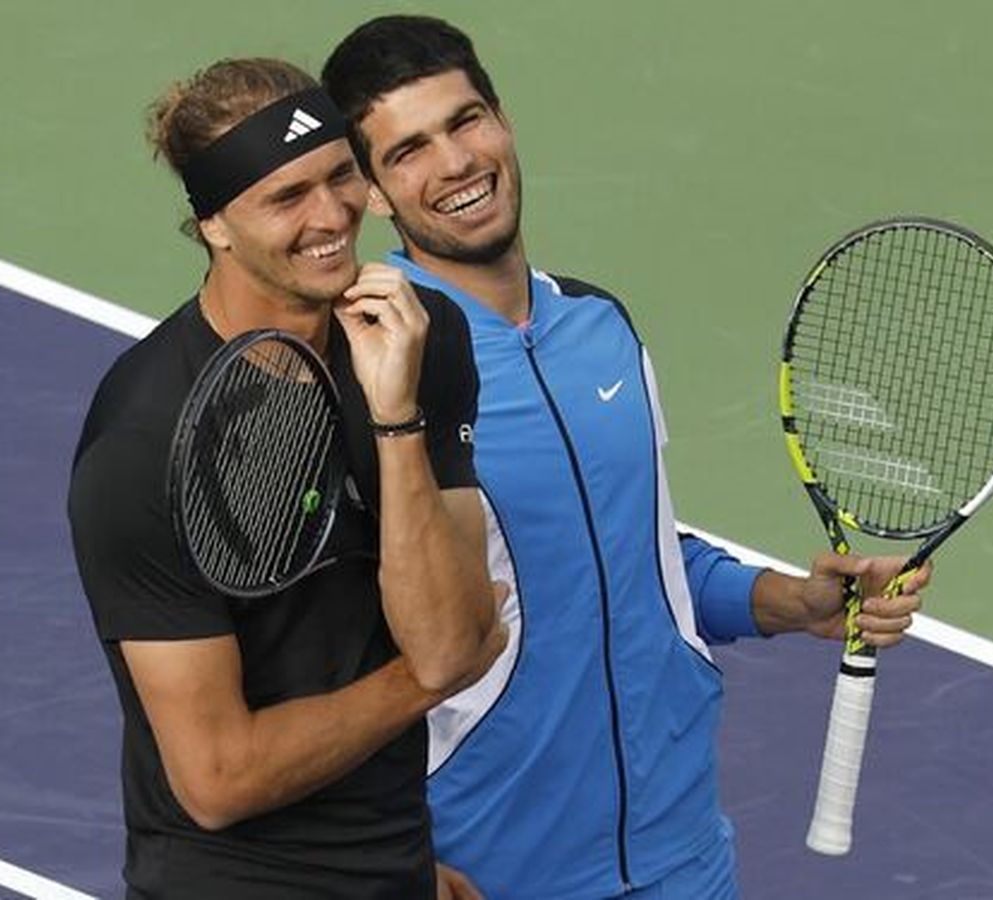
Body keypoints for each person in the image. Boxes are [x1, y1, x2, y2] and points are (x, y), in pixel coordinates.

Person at [323, 18, 929, 899]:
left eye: (466, 122)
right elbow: (319, 649)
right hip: (489, 870)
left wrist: (790, 603)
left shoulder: (601, 328)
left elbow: (638, 558)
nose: (454, 164)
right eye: (409, 150)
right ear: (373, 191)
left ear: (503, 119)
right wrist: (393, 863)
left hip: (681, 853)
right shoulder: (377, 366)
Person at [67, 57, 504, 899]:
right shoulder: (140, 441)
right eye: (286, 196)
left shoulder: (420, 335)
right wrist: (420, 680)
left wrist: (396, 415)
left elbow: (451, 636)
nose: (332, 213)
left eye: (341, 175)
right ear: (216, 228)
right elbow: (218, 779)